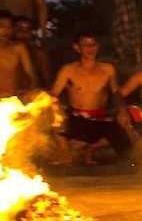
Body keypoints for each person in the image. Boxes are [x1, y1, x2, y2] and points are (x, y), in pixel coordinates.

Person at [51, 32, 130, 164]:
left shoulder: (108, 69)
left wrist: (122, 110)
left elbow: (116, 91)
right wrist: (56, 111)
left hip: (100, 118)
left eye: (93, 45)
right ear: (77, 48)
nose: (90, 49)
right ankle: (67, 151)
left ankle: (91, 148)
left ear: (97, 47)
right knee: (54, 126)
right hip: (76, 119)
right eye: (85, 45)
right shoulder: (68, 70)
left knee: (127, 146)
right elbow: (53, 95)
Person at [0, 11, 37, 99]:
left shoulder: (19, 48)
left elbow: (31, 76)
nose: (6, 30)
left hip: (13, 100)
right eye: (1, 26)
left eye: (9, 27)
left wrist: (29, 92)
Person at [13, 15, 51, 89]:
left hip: (32, 94)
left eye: (27, 30)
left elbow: (47, 79)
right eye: (20, 29)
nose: (24, 34)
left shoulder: (39, 54)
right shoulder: (5, 52)